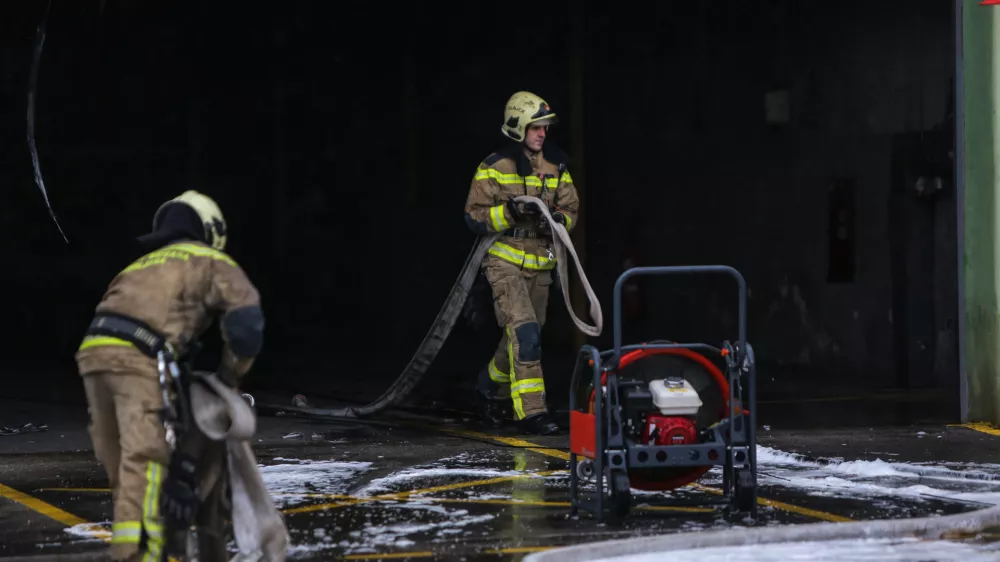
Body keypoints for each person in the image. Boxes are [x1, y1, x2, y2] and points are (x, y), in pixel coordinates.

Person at [75, 190, 265, 562]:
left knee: (128, 475)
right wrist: (228, 379)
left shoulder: (140, 266)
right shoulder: (212, 260)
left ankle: (143, 544)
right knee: (146, 463)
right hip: (139, 358)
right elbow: (246, 329)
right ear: (212, 230)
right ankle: (142, 556)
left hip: (94, 356)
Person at [463, 91, 580, 436]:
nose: (542, 133)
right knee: (526, 334)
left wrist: (555, 220)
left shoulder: (557, 165)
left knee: (521, 338)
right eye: (535, 127)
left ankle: (488, 386)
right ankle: (532, 413)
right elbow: (473, 217)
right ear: (517, 127)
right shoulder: (494, 166)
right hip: (504, 263)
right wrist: (510, 212)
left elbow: (571, 213)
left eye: (544, 127)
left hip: (541, 266)